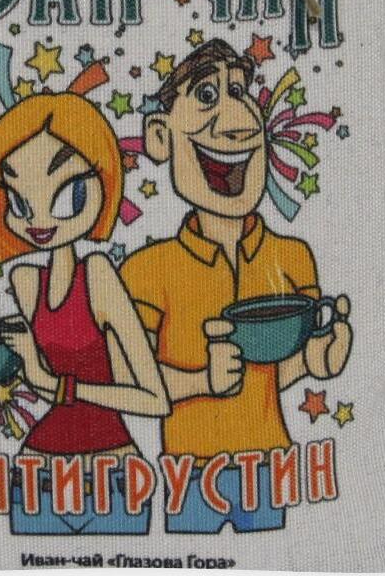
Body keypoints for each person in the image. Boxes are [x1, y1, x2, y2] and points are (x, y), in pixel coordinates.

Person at [121, 38, 351, 533]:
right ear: (160, 137)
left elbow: (276, 373)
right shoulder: (147, 271)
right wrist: (201, 382)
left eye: (240, 92)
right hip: (187, 472)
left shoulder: (291, 258)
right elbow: (130, 380)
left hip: (273, 466)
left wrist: (316, 358)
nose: (238, 120)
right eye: (206, 95)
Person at [0, 91, 169, 535]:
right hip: (37, 477)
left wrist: (60, 388)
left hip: (113, 475)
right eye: (20, 202)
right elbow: (29, 373)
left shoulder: (98, 275)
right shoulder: (25, 281)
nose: (38, 221)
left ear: (102, 182)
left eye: (70, 194)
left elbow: (154, 399)